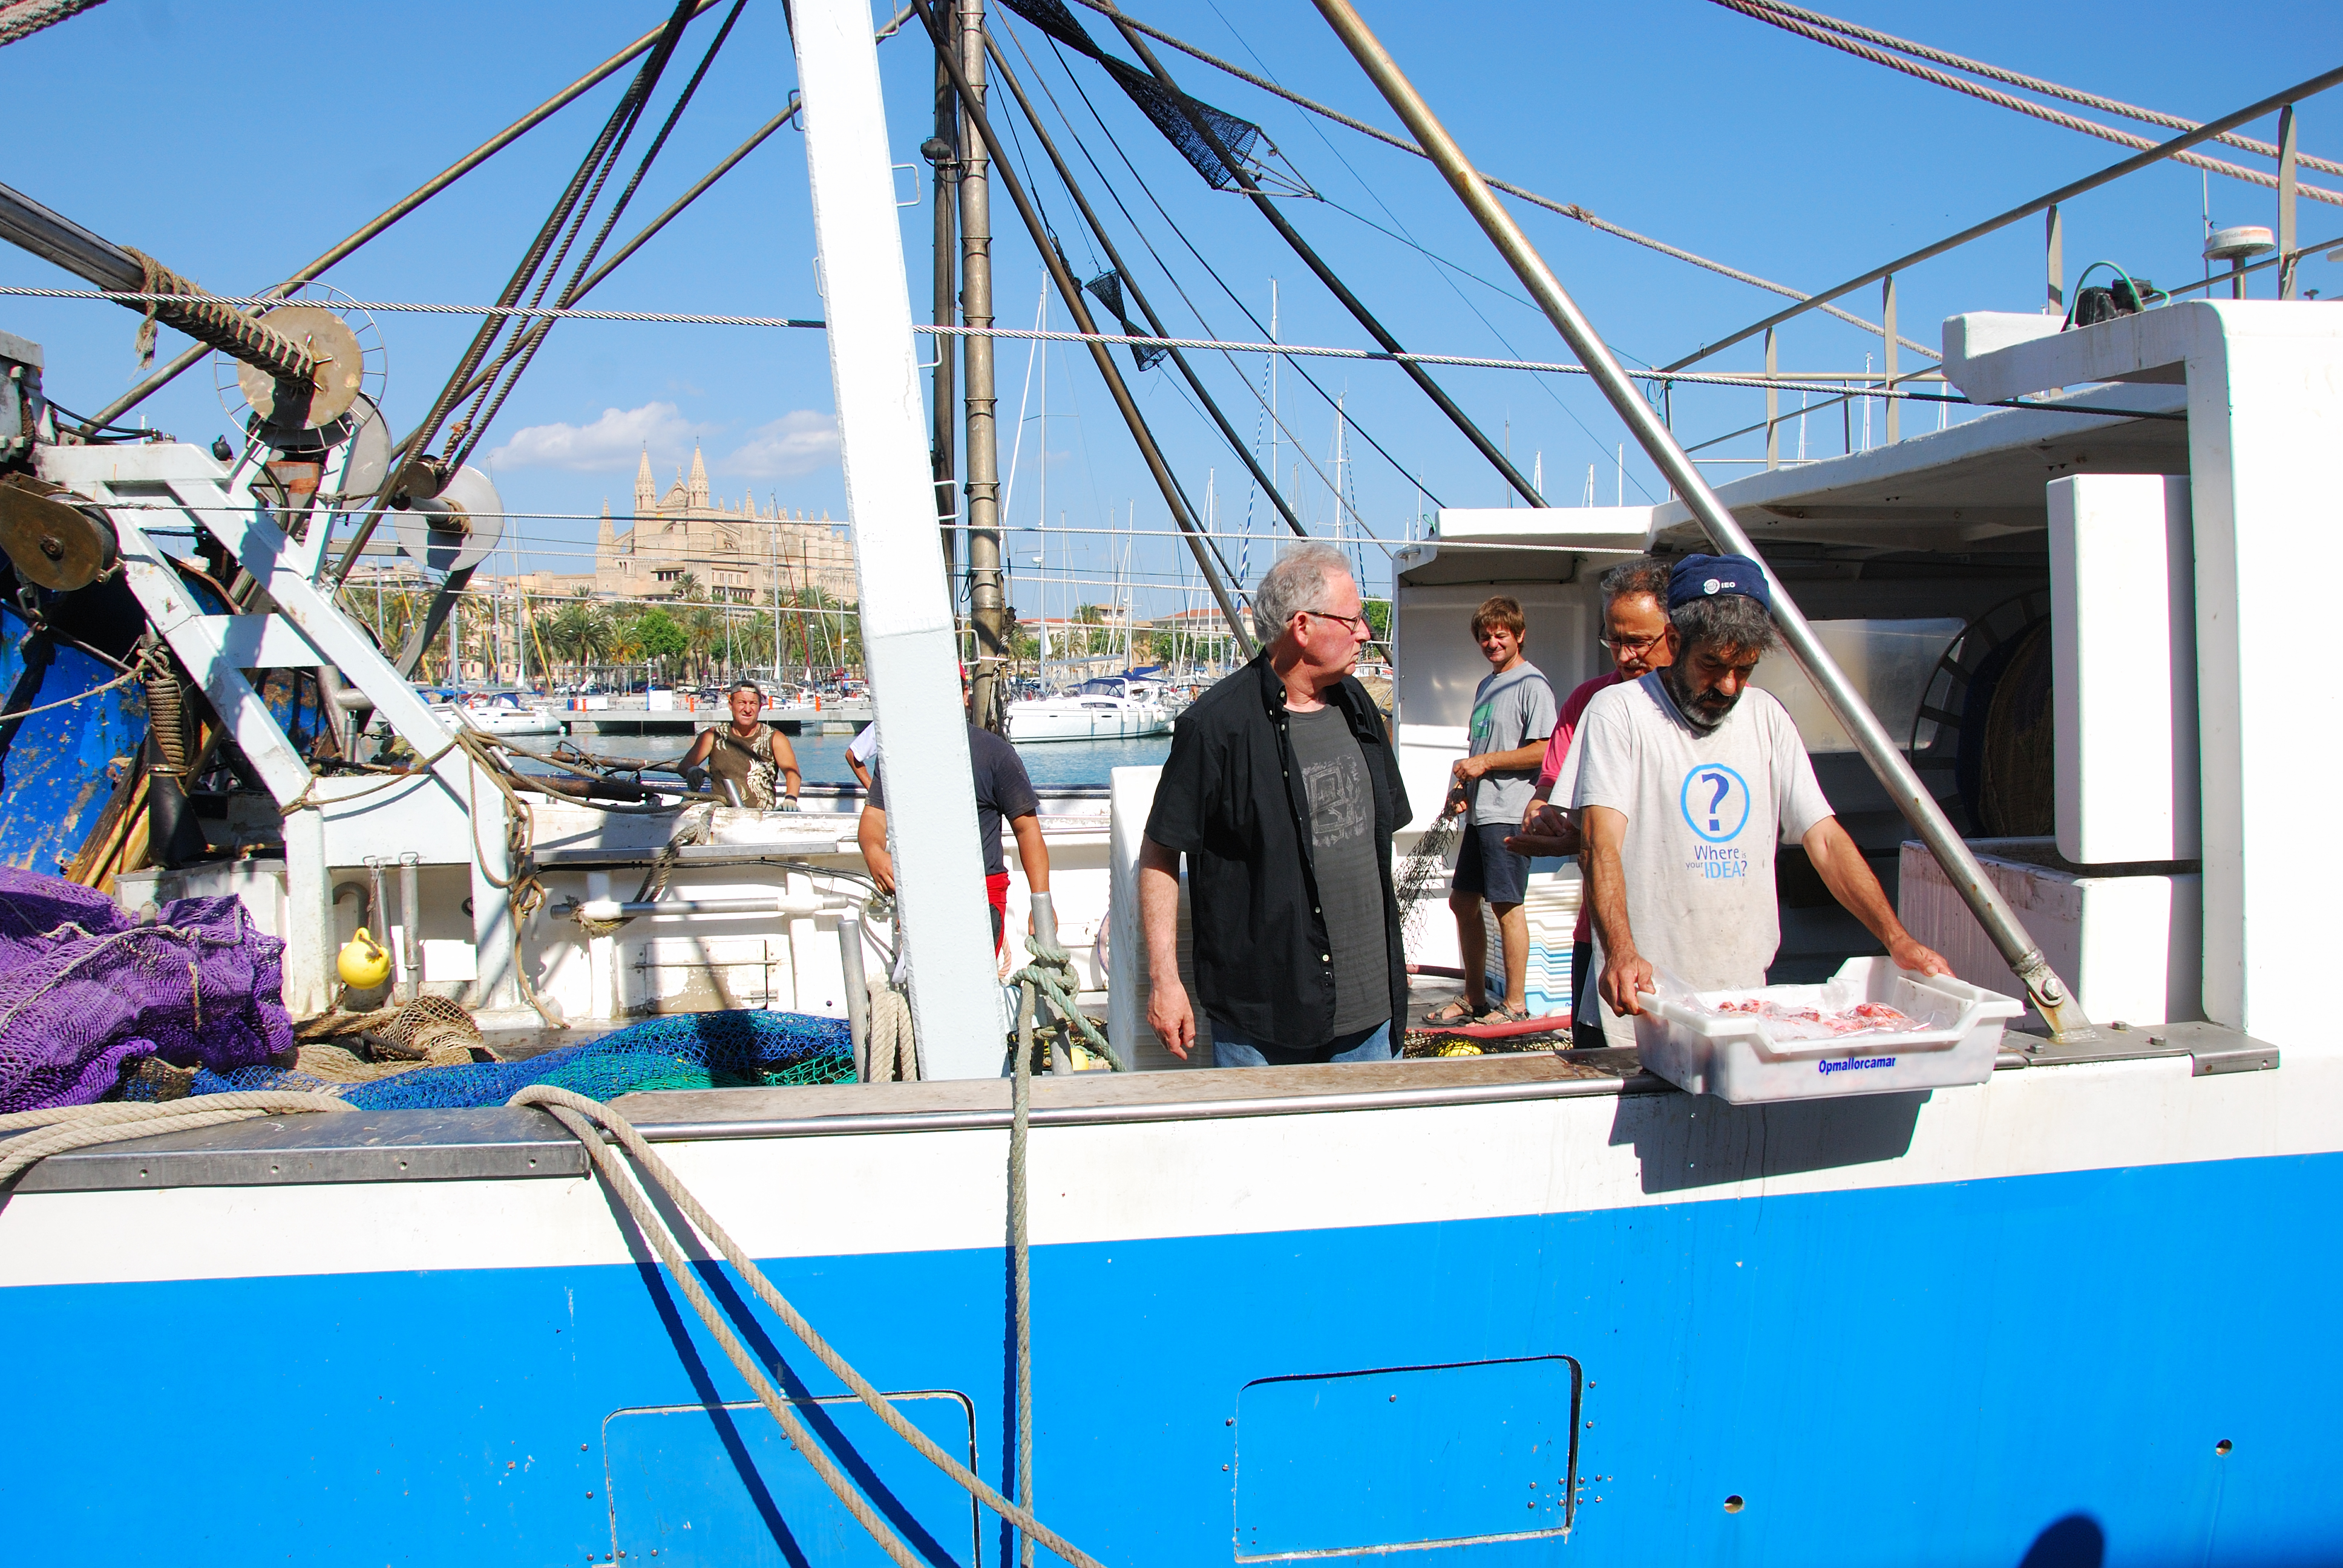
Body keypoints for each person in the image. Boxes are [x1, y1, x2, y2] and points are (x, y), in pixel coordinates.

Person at [1573, 554, 1950, 1040]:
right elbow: (1599, 844)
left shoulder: (1768, 717)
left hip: (1743, 1003)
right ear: (1674, 642)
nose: (1728, 686)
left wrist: (1897, 940)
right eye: (1712, 665)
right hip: (1643, 1003)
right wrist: (1622, 950)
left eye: (1744, 669)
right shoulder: (1618, 712)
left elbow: (1826, 841)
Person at [1139, 541, 1409, 1067]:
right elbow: (1159, 854)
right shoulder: (1216, 725)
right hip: (1262, 1020)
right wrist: (1164, 981)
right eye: (1355, 619)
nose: (1366, 633)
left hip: (1372, 1014)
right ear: (1303, 627)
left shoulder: (1359, 706)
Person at [1502, 556, 1674, 1048]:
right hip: (1598, 934)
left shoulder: (1705, 712)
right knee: (1600, 1064)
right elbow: (1554, 791)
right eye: (1614, 640)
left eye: (1640, 642)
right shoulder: (1588, 703)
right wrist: (1546, 820)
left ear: (1676, 633)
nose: (1624, 656)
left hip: (1678, 938)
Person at [1424, 597, 1556, 1025]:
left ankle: (1515, 1005)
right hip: (1480, 814)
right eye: (1485, 635)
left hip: (1509, 813)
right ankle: (1475, 997)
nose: (1492, 641)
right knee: (1463, 902)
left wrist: (1487, 763)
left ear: (1519, 635)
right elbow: (1476, 751)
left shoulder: (1532, 685)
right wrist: (1461, 789)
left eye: (1501, 634)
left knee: (1507, 906)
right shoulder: (1486, 686)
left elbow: (1544, 751)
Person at [857, 672, 1048, 956]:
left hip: (982, 893)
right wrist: (874, 852)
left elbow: (1027, 830)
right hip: (921, 892)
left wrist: (1041, 904)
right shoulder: (899, 754)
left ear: (964, 695)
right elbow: (874, 816)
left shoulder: (997, 755)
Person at [681, 679, 802, 809]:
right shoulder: (713, 736)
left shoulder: (775, 738)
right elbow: (684, 766)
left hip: (762, 816)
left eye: (753, 703)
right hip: (722, 814)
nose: (748, 709)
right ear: (731, 705)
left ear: (760, 707)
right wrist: (692, 771)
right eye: (742, 703)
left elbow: (792, 773)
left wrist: (790, 798)